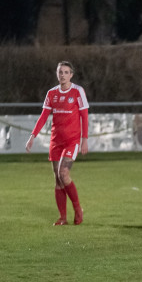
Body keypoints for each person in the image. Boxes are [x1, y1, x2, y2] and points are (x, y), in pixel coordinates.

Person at [25, 61, 89, 226]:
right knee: (58, 179)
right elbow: (43, 116)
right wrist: (33, 136)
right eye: (60, 72)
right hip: (56, 141)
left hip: (72, 141)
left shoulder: (77, 91)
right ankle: (62, 218)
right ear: (57, 74)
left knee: (64, 173)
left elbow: (84, 116)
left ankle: (78, 209)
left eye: (66, 72)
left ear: (71, 75)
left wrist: (84, 140)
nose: (63, 75)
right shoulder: (52, 93)